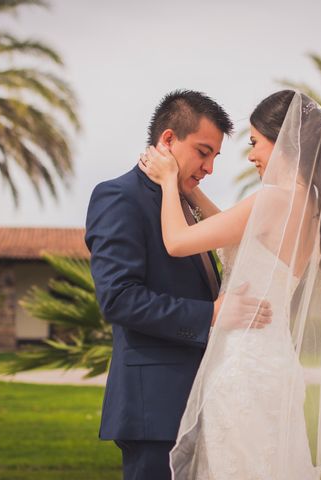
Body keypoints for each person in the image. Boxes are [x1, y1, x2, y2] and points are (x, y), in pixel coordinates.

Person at [139, 90, 321, 479]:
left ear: (285, 140)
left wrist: (169, 183)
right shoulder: (307, 205)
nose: (251, 155)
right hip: (274, 362)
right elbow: (232, 231)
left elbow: (177, 241)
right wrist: (190, 189)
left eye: (255, 142)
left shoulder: (272, 199)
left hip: (244, 363)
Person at [85, 90, 273, 480]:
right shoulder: (119, 197)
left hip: (209, 399)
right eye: (203, 152)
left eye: (215, 157)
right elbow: (119, 299)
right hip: (155, 408)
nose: (209, 168)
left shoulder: (184, 200)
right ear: (168, 140)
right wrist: (212, 314)